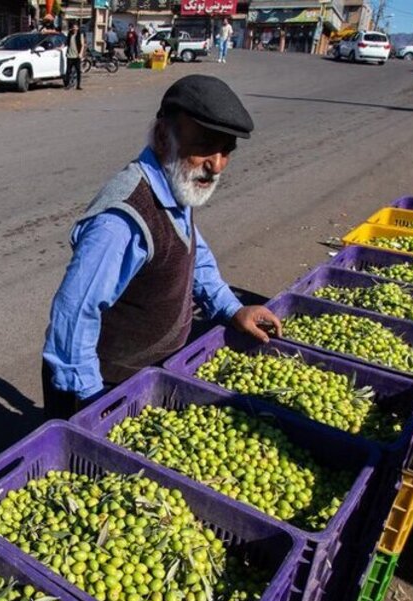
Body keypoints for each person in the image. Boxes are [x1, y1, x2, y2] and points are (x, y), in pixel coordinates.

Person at [41, 75, 282, 419]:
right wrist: (94, 405)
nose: (216, 165)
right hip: (102, 384)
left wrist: (232, 309)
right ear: (161, 136)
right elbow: (74, 314)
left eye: (226, 150)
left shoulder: (174, 187)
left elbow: (192, 256)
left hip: (140, 379)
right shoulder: (121, 221)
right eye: (204, 146)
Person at [64, 21, 85, 90]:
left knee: (78, 71)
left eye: (76, 27)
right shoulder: (69, 34)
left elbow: (82, 45)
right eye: (73, 27)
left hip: (76, 56)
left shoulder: (80, 35)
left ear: (78, 28)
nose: (74, 29)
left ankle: (78, 85)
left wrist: (81, 53)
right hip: (69, 56)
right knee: (68, 71)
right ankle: (67, 85)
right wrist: (60, 47)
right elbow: (66, 43)